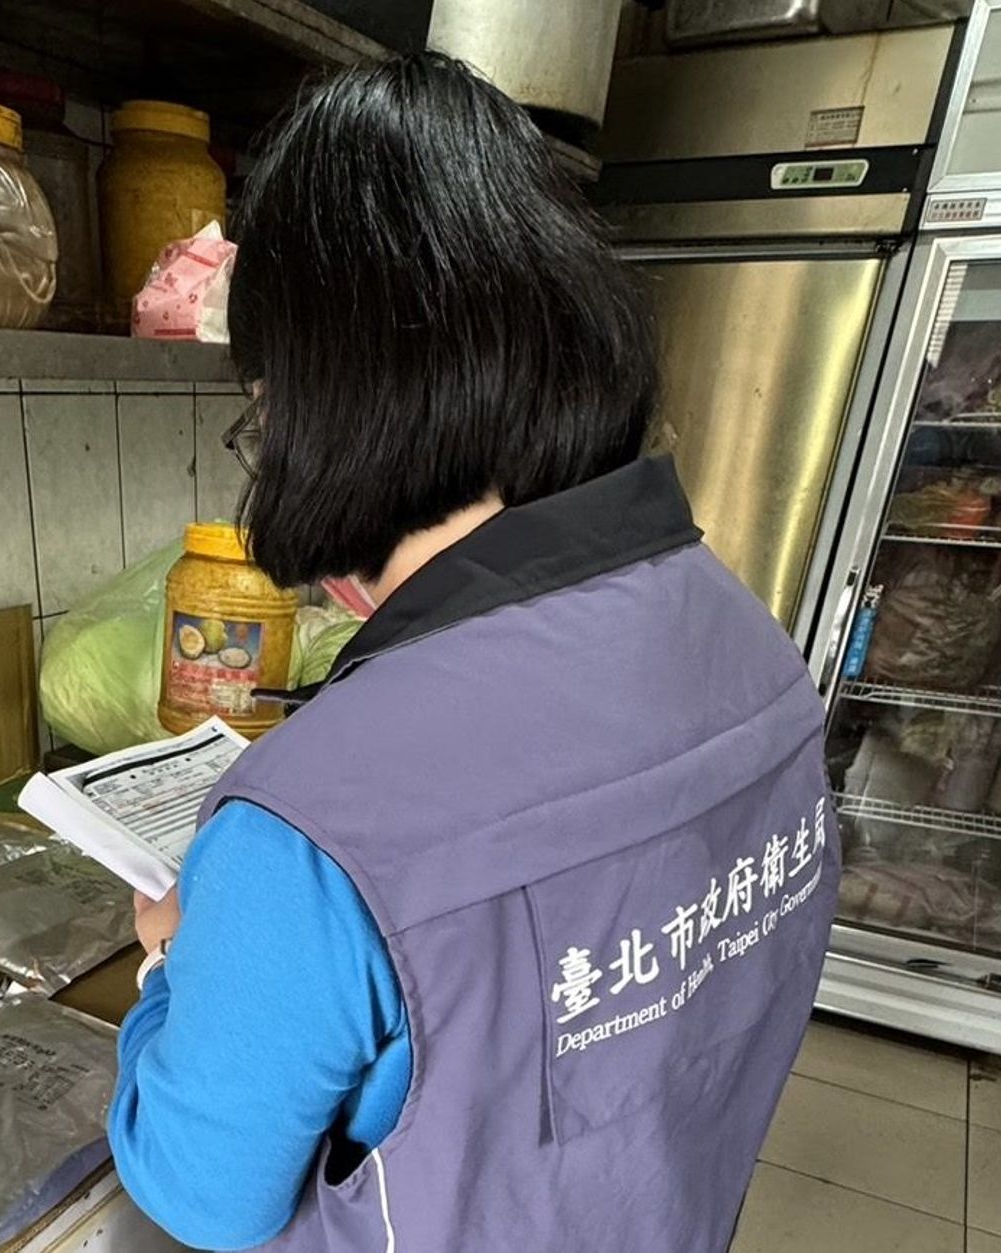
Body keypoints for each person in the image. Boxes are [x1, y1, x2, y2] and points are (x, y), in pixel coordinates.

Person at [108, 53, 838, 1253]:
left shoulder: (305, 830)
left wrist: (172, 964)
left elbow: (202, 1192)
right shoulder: (741, 632)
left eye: (266, 404)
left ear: (327, 401)